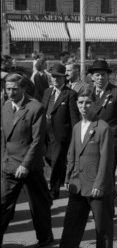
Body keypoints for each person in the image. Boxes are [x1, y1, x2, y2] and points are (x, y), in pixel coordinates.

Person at [50, 87, 115, 248]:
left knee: (102, 225)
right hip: (78, 184)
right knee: (71, 223)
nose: (84, 106)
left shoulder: (103, 128)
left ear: (95, 104)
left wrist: (100, 184)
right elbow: (72, 153)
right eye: (80, 102)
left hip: (97, 185)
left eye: (88, 102)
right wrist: (69, 176)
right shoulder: (77, 126)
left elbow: (107, 160)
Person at [1, 74, 54, 247]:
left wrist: (25, 165)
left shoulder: (35, 108)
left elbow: (37, 141)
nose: (11, 92)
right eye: (8, 89)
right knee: (3, 204)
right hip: (9, 165)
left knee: (38, 205)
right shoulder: (5, 106)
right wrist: (3, 159)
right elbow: (3, 137)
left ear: (23, 88)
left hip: (29, 166)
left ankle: (45, 237)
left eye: (14, 89)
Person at [41, 63, 80, 199]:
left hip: (61, 136)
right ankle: (63, 177)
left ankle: (53, 190)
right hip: (46, 134)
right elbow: (42, 111)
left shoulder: (70, 94)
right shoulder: (47, 92)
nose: (55, 79)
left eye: (58, 77)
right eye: (53, 76)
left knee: (57, 161)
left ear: (64, 78)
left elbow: (74, 118)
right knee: (49, 159)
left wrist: (76, 138)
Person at [88, 59, 117, 178]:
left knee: (108, 173)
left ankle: (109, 195)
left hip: (111, 141)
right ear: (92, 77)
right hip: (92, 140)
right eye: (97, 75)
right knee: (93, 172)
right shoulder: (88, 93)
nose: (100, 78)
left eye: (103, 74)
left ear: (108, 76)